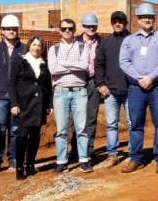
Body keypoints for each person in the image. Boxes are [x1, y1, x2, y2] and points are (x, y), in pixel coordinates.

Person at [119, 3, 158, 174]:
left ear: (154, 18)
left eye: (150, 17)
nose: (147, 19)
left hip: (157, 87)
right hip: (136, 88)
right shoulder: (129, 40)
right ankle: (136, 158)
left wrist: (150, 77)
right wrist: (139, 78)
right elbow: (124, 62)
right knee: (135, 124)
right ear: (138, 19)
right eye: (143, 17)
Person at [48, 18, 92, 173]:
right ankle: (61, 160)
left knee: (81, 128)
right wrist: (73, 66)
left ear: (74, 30)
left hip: (80, 91)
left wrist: (64, 63)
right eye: (64, 28)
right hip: (60, 92)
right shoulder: (53, 50)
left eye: (70, 28)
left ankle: (84, 160)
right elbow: (53, 69)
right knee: (61, 129)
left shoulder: (82, 47)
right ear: (60, 30)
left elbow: (84, 66)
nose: (67, 31)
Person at [7, 36, 53, 179]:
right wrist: (13, 103)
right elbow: (11, 83)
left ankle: (30, 164)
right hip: (23, 105)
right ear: (29, 46)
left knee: (34, 136)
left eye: (39, 45)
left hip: (38, 105)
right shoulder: (20, 61)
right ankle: (19, 167)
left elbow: (47, 86)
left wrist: (49, 104)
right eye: (34, 45)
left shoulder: (44, 64)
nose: (36, 48)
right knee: (21, 135)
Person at [0, 14, 24, 173]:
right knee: (0, 129)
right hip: (0, 96)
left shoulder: (24, 49)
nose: (11, 31)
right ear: (2, 31)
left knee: (15, 129)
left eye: (14, 29)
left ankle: (14, 158)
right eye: (8, 29)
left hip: (18, 98)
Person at [95, 11, 132, 168]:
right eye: (115, 21)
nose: (118, 24)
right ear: (111, 23)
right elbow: (99, 65)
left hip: (131, 90)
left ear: (125, 23)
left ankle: (133, 154)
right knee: (111, 124)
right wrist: (101, 84)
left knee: (132, 123)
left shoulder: (133, 40)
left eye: (121, 21)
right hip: (111, 91)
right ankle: (112, 154)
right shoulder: (105, 43)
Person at [71, 13, 102, 158]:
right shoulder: (74, 42)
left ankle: (88, 150)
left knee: (91, 117)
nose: (91, 28)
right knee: (76, 118)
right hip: (78, 82)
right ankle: (75, 150)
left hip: (94, 82)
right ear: (83, 27)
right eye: (88, 26)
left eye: (93, 26)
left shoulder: (102, 42)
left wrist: (101, 82)